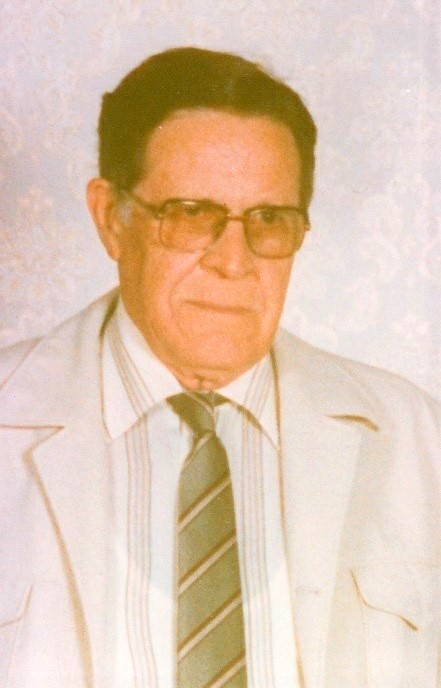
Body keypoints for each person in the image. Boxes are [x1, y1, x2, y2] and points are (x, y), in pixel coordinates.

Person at [0, 47, 439, 688]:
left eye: (269, 220)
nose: (234, 262)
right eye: (190, 215)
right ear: (111, 219)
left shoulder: (418, 440)